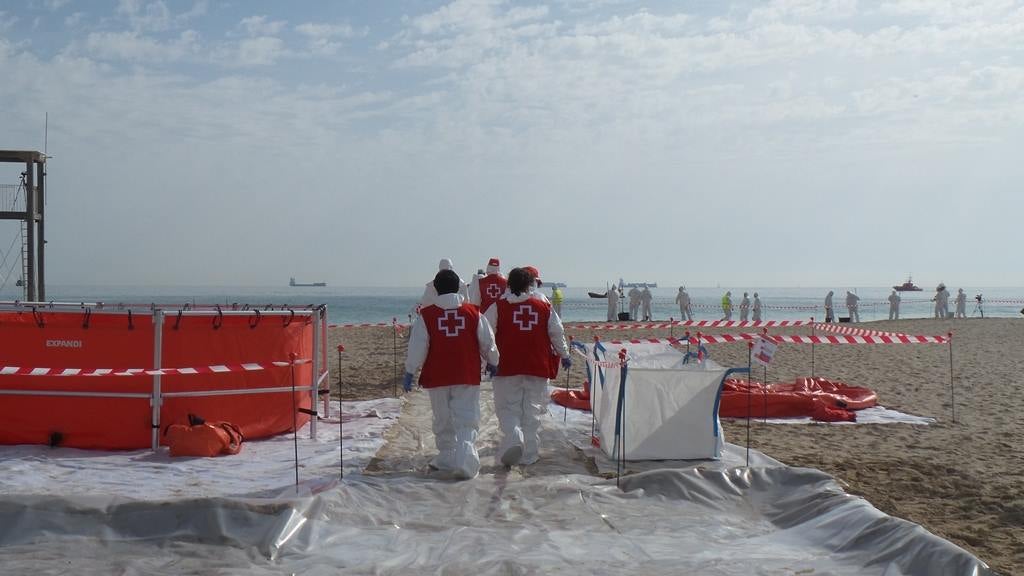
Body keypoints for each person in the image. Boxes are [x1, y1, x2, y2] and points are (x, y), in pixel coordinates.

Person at [404, 269, 499, 480]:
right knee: (467, 416)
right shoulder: (474, 313)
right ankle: (465, 455)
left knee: (442, 417)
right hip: (466, 372)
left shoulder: (426, 315)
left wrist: (410, 370)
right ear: (459, 287)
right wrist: (494, 361)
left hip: (437, 375)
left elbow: (418, 346)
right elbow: (487, 342)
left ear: (435, 289)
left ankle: (447, 455)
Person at [485, 267, 571, 466]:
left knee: (507, 408)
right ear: (530, 284)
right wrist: (564, 354)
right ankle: (530, 453)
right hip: (537, 366)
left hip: (506, 366)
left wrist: (488, 360)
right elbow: (557, 333)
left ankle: (514, 436)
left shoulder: (498, 307)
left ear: (509, 284)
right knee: (532, 410)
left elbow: (486, 336)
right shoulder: (543, 306)